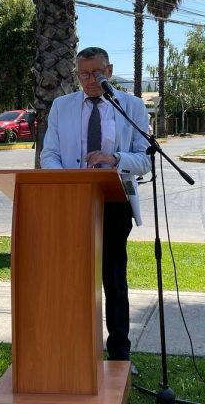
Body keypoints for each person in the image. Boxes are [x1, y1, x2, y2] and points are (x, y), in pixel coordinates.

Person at [41, 47, 151, 374]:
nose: (90, 80)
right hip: (72, 204)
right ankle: (74, 349)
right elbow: (49, 155)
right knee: (73, 281)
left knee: (114, 279)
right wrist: (68, 184)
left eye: (96, 73)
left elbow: (144, 159)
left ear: (109, 71)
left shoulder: (130, 106)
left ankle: (119, 356)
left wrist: (115, 159)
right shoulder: (62, 107)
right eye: (84, 74)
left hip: (114, 203)